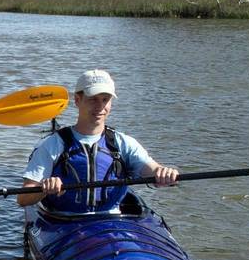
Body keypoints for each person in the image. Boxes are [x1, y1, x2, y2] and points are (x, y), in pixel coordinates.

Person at [17, 69, 178, 214]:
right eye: (93, 99)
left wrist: (163, 173)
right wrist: (44, 189)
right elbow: (23, 199)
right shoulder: (53, 144)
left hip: (111, 220)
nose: (100, 107)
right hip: (63, 221)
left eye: (105, 100)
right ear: (78, 100)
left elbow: (152, 169)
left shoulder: (123, 142)